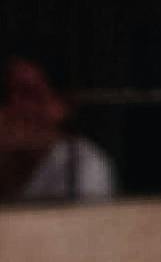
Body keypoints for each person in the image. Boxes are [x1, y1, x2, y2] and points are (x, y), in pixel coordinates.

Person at [2, 60, 114, 201]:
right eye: (6, 95)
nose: (15, 106)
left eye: (28, 94)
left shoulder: (83, 167)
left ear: (61, 107)